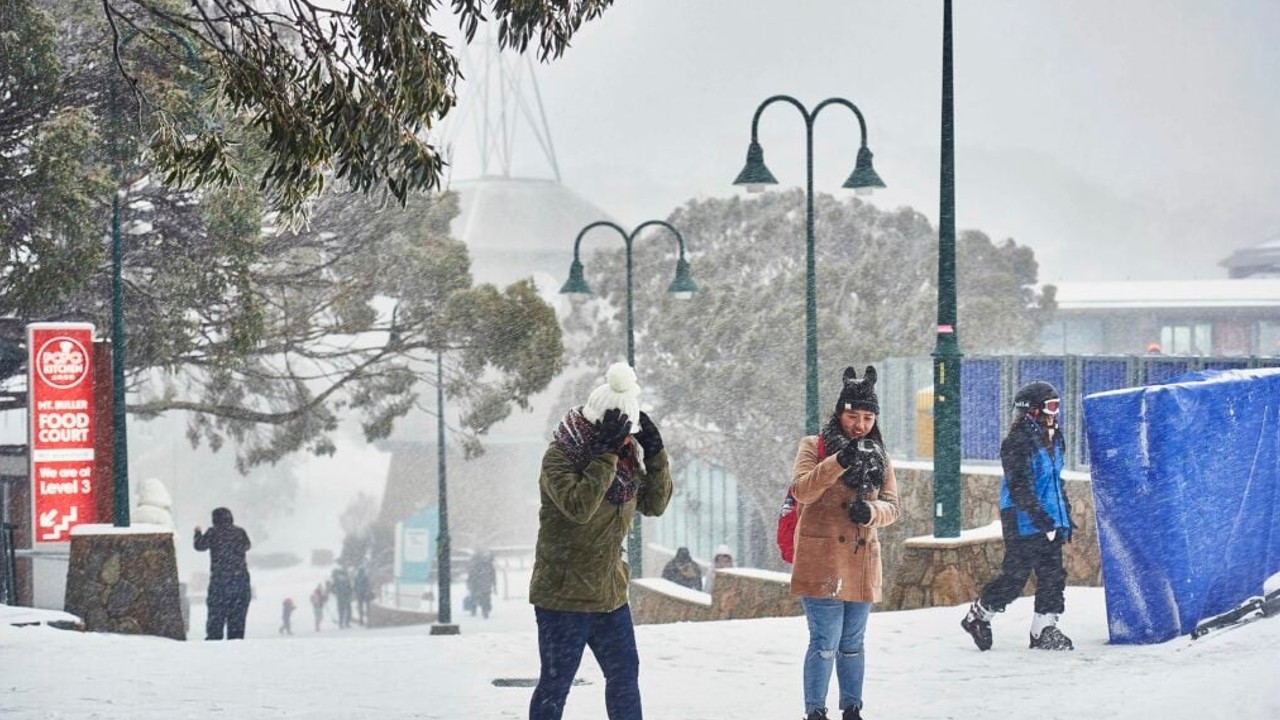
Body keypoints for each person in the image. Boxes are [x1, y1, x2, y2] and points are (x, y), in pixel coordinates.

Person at [528, 362, 673, 720]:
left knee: (624, 676)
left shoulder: (625, 460)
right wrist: (605, 454)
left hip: (610, 596)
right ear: (598, 426)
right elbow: (579, 506)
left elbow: (654, 505)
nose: (627, 440)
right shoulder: (560, 457)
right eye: (622, 433)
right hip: (564, 597)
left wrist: (656, 455)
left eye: (630, 433)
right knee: (555, 685)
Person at [789, 366, 900, 720]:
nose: (860, 425)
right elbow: (802, 490)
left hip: (861, 561)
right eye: (853, 416)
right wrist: (838, 461)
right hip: (821, 561)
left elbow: (893, 506)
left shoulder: (880, 454)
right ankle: (815, 711)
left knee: (852, 644)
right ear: (839, 414)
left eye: (868, 418)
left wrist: (871, 512)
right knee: (825, 643)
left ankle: (852, 708)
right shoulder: (814, 446)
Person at [962, 381, 1076, 652]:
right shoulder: (1017, 442)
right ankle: (979, 615)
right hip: (1022, 518)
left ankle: (1044, 629)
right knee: (1015, 577)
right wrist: (1038, 516)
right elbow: (1019, 486)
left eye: (1057, 406)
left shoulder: (1055, 438)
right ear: (1033, 410)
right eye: (1050, 407)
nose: (1055, 413)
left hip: (1050, 518)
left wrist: (1064, 515)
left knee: (1053, 575)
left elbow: (1054, 481)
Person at [193, 507, 253, 640]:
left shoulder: (213, 532)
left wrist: (197, 533)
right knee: (237, 618)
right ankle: (235, 643)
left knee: (216, 616)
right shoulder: (240, 532)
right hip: (240, 580)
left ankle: (214, 642)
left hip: (220, 581)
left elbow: (199, 546)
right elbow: (247, 546)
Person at [467, 551, 498, 619]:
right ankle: (484, 610)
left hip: (480, 585)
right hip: (484, 585)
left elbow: (472, 575)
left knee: (478, 597)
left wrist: (471, 583)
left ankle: (478, 609)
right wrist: (494, 585)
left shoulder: (478, 565)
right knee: (484, 598)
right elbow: (493, 576)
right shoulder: (488, 566)